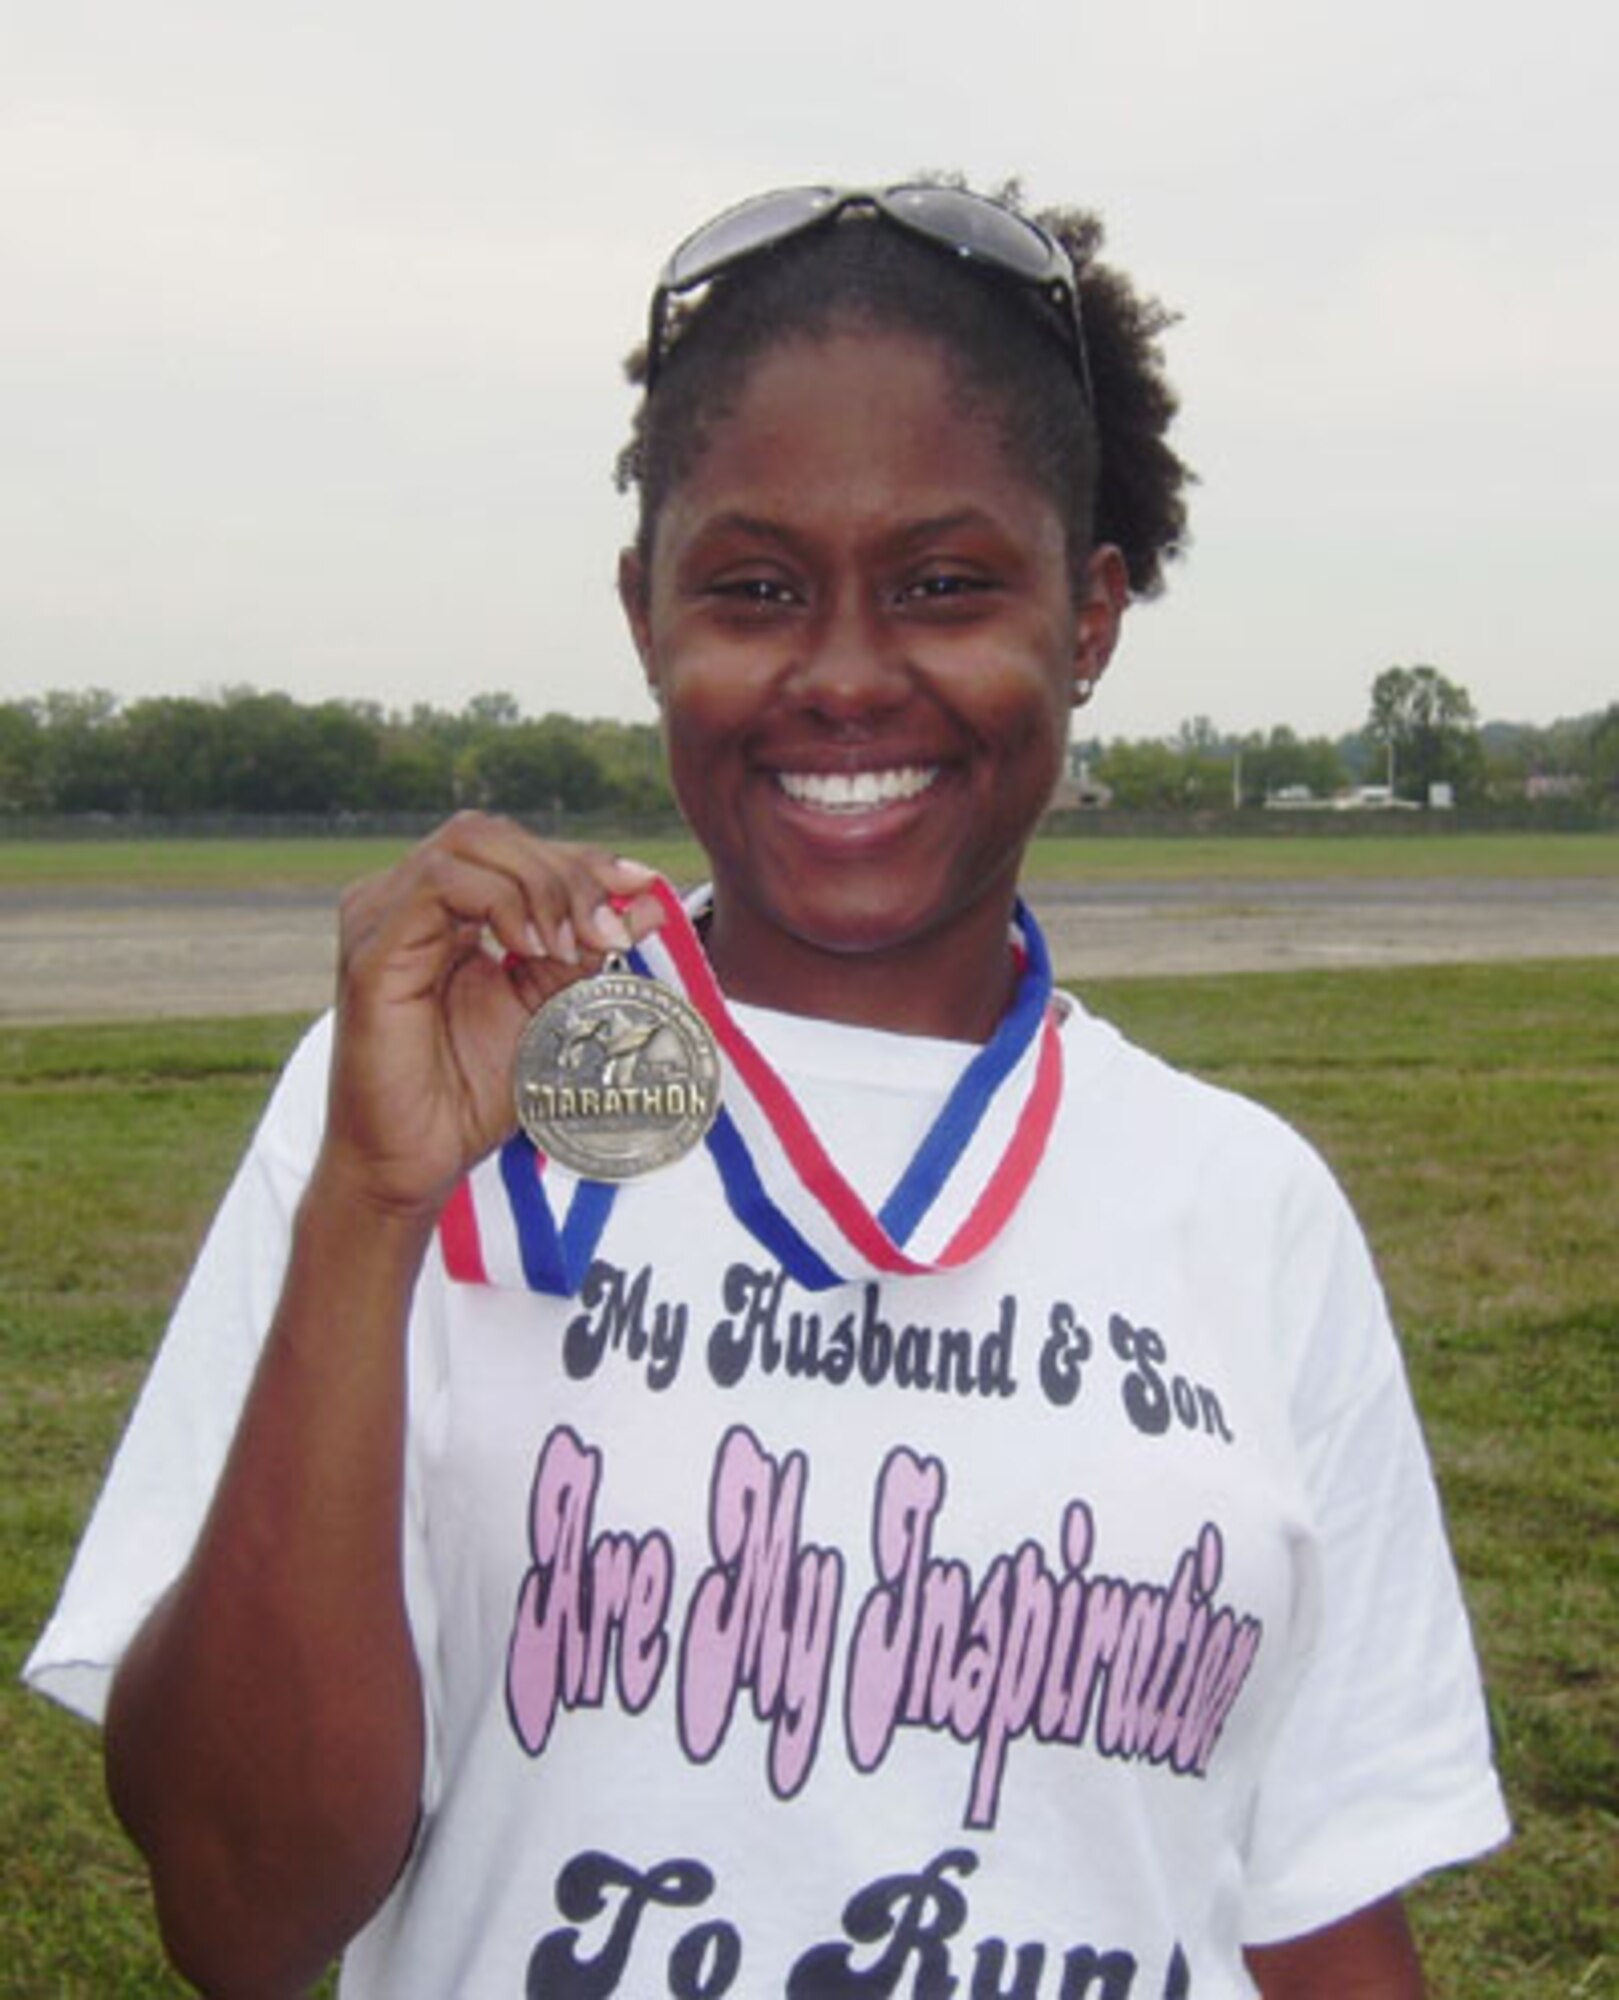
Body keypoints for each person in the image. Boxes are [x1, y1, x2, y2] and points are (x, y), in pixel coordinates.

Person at [27, 182, 1508, 1997]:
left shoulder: (1249, 1206)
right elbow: (241, 1917)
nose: (847, 677)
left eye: (946, 585)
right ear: (644, 614)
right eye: (754, 590)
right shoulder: (426, 1111)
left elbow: (1320, 1911)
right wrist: (371, 1209)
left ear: (1091, 616)